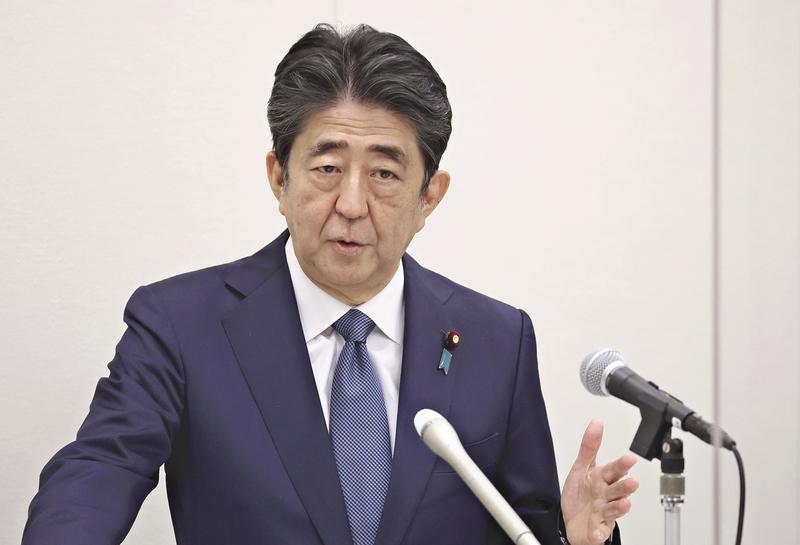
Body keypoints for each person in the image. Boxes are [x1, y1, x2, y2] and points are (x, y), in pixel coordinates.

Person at [22, 23, 638, 545]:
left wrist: (575, 537)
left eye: (384, 174)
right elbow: (99, 470)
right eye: (326, 167)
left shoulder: (497, 340)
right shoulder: (180, 326)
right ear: (279, 178)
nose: (350, 203)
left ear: (430, 196)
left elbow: (527, 528)